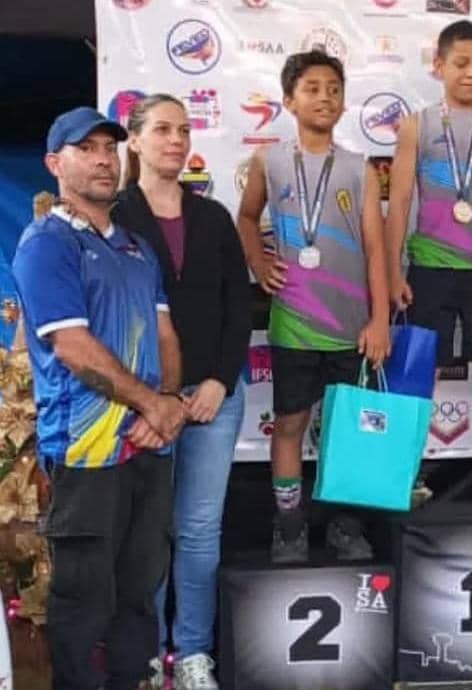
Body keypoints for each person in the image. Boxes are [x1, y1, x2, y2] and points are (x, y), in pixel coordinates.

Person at [12, 106, 188, 690]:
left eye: (109, 148)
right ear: (54, 163)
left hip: (149, 448)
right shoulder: (47, 243)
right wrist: (153, 406)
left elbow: (165, 335)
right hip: (87, 454)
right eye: (84, 149)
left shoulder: (136, 247)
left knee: (139, 596)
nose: (103, 160)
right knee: (84, 604)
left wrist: (167, 402)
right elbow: (73, 347)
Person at [112, 94, 252, 690]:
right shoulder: (115, 215)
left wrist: (220, 379)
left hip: (215, 399)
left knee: (198, 531)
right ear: (135, 140)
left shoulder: (213, 216)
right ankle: (147, 654)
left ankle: (193, 655)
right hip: (144, 401)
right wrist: (151, 399)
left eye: (184, 129)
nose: (176, 140)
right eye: (163, 129)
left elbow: (240, 306)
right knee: (147, 530)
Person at [238, 50, 390, 563]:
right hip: (294, 325)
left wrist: (380, 320)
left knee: (350, 431)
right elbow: (246, 218)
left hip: (352, 328)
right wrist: (258, 262)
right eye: (312, 88)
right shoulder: (270, 161)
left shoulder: (359, 168)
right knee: (289, 425)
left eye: (334, 89)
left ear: (344, 103)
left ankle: (346, 525)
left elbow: (376, 250)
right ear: (288, 100)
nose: (325, 98)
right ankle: (289, 526)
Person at [385, 20, 472, 508]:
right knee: (418, 369)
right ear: (439, 66)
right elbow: (399, 200)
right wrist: (393, 270)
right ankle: (408, 468)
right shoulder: (417, 125)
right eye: (462, 63)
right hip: (429, 266)